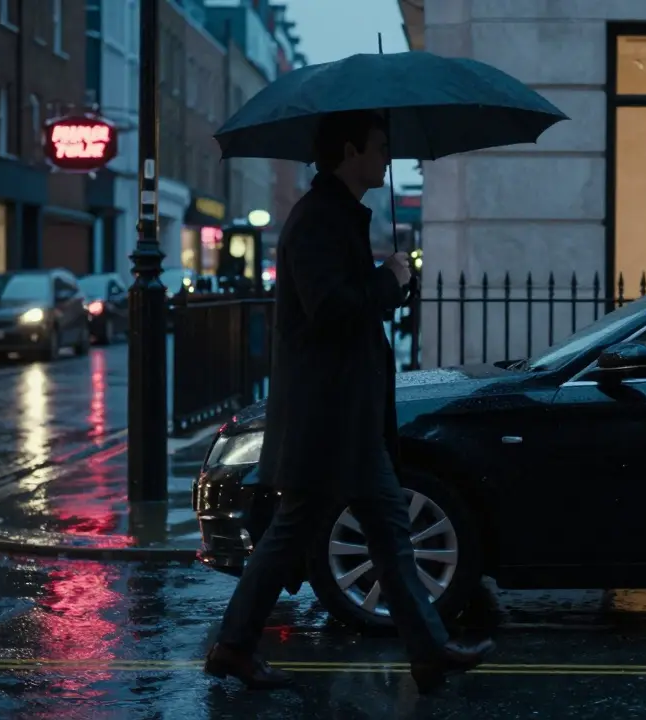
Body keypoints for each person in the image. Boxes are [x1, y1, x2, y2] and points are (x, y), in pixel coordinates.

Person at [203, 110, 494, 693]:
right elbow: (332, 311)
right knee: (324, 531)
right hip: (330, 418)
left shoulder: (337, 217)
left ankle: (427, 650)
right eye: (381, 146)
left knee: (382, 529)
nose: (388, 158)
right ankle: (235, 647)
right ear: (349, 150)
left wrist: (391, 283)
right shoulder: (317, 221)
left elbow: (350, 309)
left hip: (343, 415)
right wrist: (388, 278)